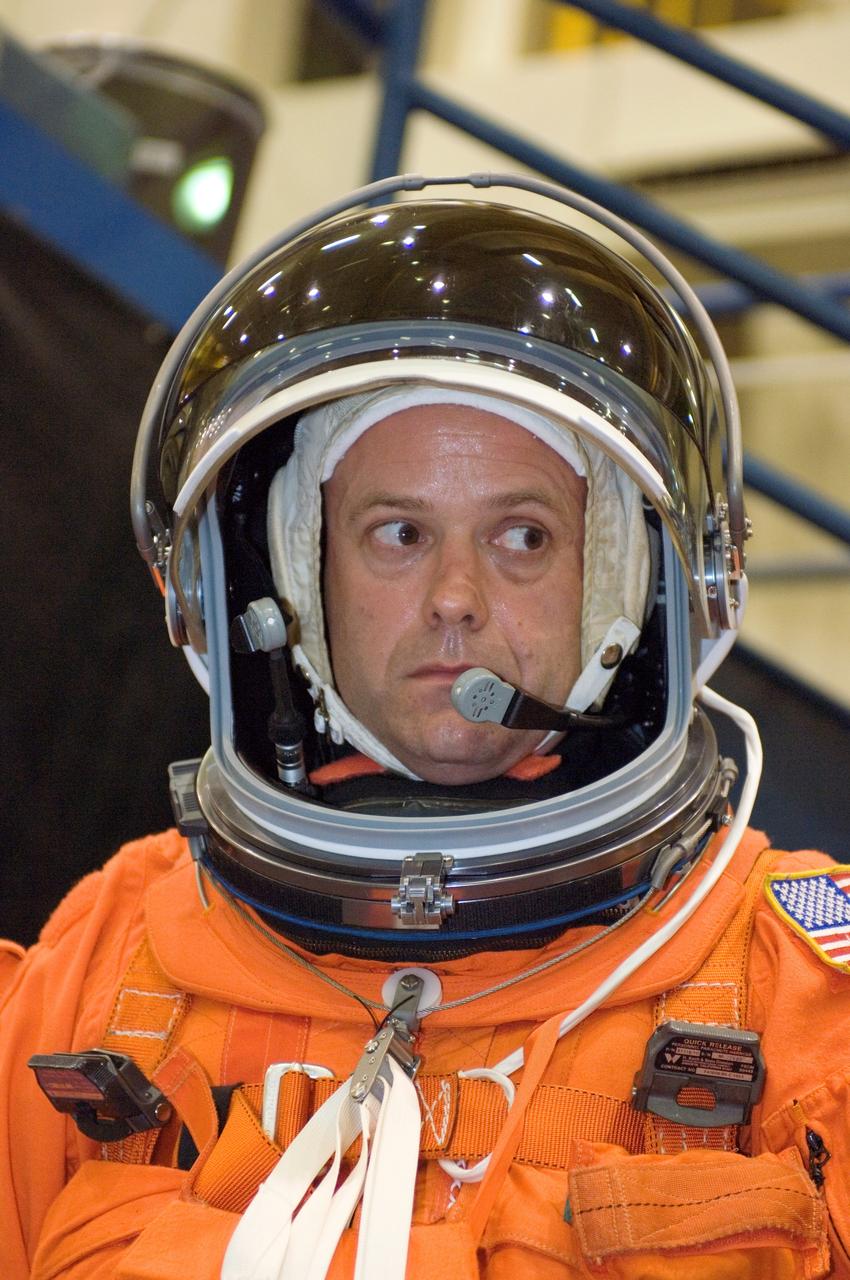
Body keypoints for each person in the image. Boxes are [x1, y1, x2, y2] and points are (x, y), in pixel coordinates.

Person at [2, 174, 849, 1280]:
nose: (455, 594)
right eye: (398, 532)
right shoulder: (106, 967)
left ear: (624, 587)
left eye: (524, 536)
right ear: (294, 586)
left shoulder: (791, 993)